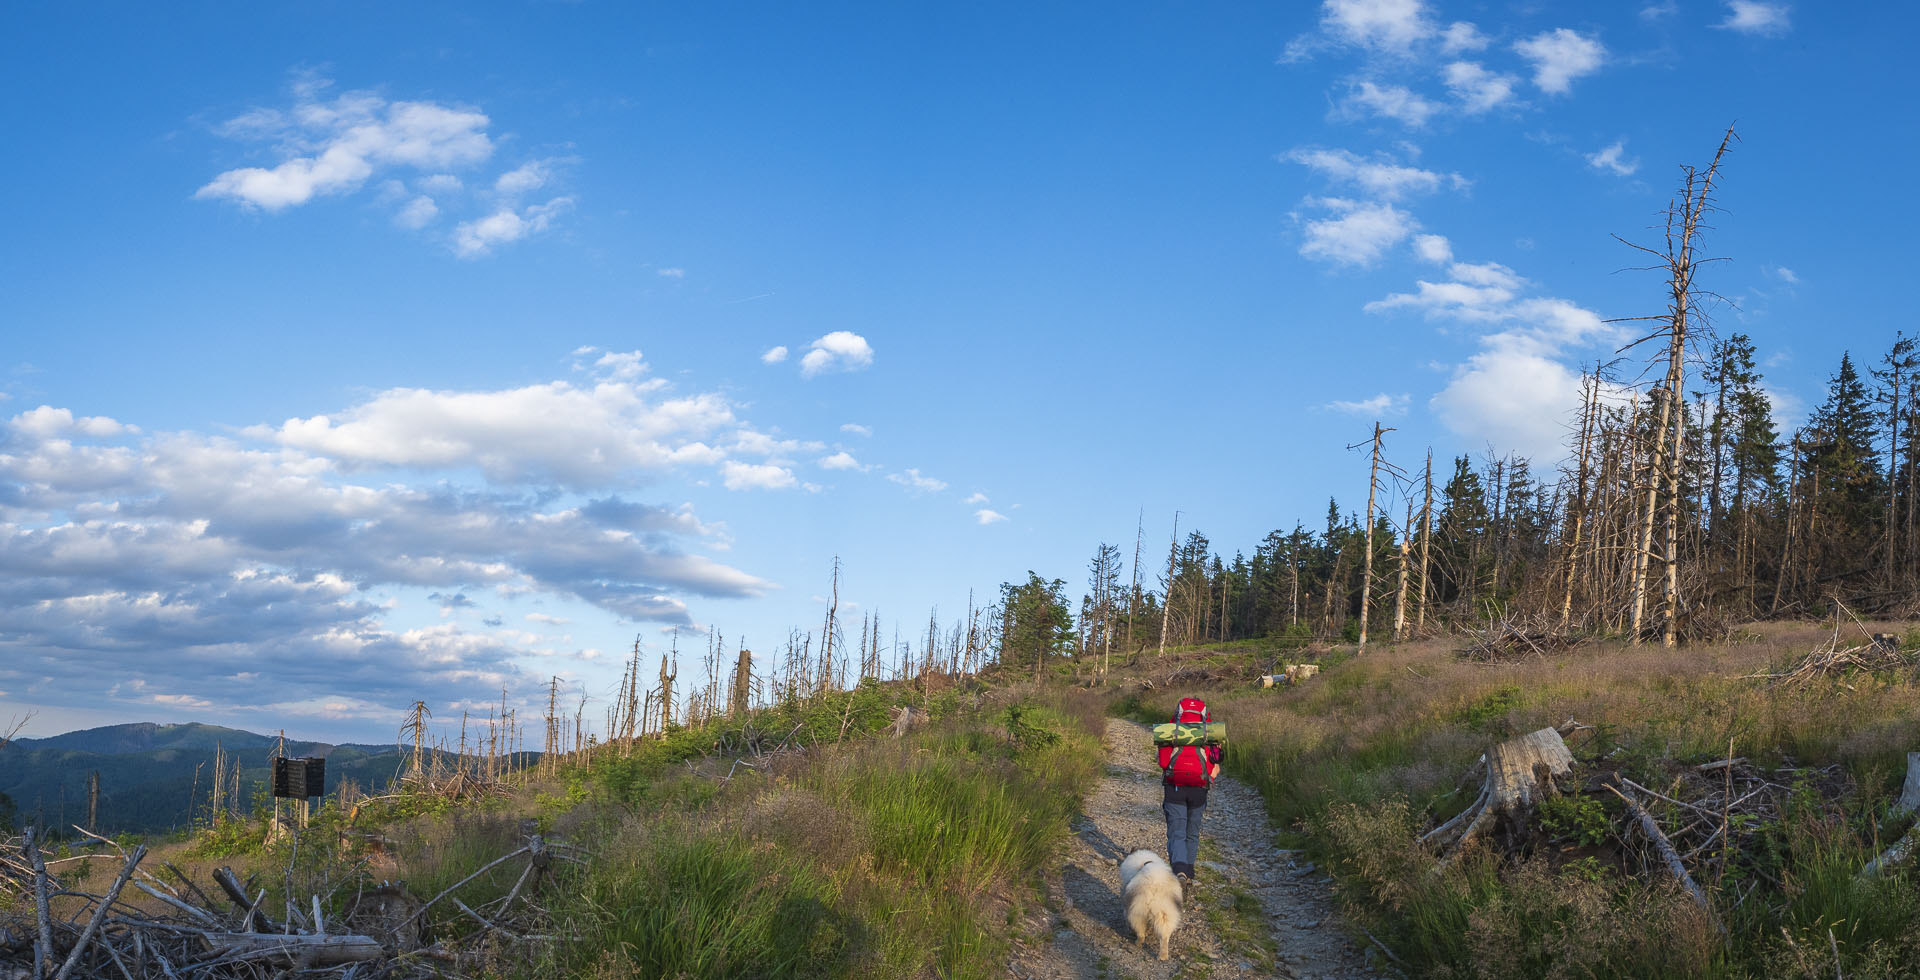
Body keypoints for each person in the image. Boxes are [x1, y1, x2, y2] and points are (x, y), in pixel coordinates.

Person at [1157, 696, 1220, 882]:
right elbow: (1216, 763)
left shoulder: (1170, 731)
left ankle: (1179, 872)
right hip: (1199, 788)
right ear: (1204, 714)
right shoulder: (1210, 733)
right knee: (1192, 832)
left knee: (1176, 833)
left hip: (1175, 787)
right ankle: (1189, 874)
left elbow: (1163, 762)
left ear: (1178, 713)